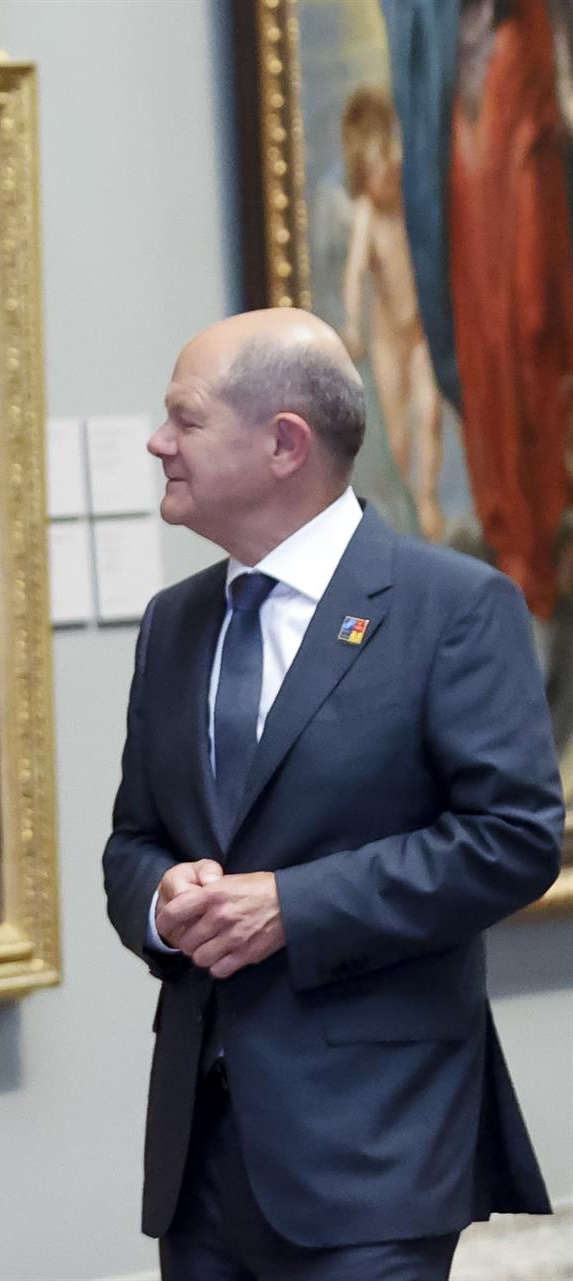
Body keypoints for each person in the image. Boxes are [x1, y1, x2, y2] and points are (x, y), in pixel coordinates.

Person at [104, 309, 557, 1278]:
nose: (158, 442)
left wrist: (293, 907)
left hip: (375, 1156)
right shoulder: (174, 624)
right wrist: (161, 900)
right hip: (202, 1159)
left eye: (185, 418)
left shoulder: (454, 608)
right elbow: (132, 840)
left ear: (284, 445)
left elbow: (515, 838)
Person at [445, 0, 573, 622]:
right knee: (501, 378)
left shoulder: (524, 45)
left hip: (527, 253)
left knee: (532, 369)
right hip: (489, 268)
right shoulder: (478, 50)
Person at [339, 84, 447, 543]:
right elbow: (354, 274)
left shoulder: (408, 209)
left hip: (419, 333)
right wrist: (352, 323)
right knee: (398, 432)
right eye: (376, 168)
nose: (387, 174)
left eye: (391, 164)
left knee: (431, 413)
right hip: (388, 340)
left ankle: (426, 498)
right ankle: (402, 511)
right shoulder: (368, 215)